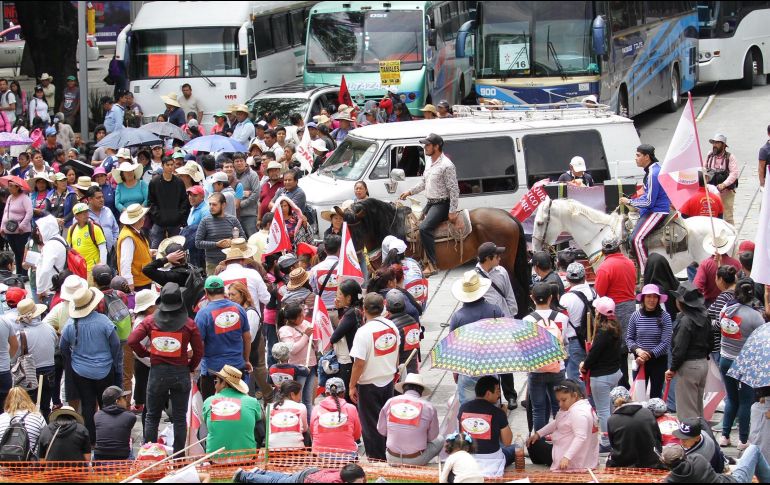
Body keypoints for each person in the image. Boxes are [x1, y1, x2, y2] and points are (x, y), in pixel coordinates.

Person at [128, 283, 203, 454]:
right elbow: (199, 351)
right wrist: (189, 366)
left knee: (152, 416)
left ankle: (150, 454)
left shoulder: (150, 321)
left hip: (157, 373)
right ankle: (178, 456)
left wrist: (147, 353)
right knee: (179, 418)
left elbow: (132, 340)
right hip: (180, 373)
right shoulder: (189, 324)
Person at [59, 287, 122, 444]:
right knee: (106, 404)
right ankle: (106, 438)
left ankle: (91, 440)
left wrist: (73, 358)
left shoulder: (70, 324)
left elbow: (62, 347)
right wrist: (113, 361)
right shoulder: (104, 321)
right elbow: (115, 345)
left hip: (80, 371)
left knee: (87, 405)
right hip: (105, 369)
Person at [347, 293, 399, 461]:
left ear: (364, 310)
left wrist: (351, 385)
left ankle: (376, 459)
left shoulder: (363, 332)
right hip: (388, 379)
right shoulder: (392, 326)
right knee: (386, 420)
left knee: (371, 425)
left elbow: (358, 363)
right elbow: (396, 353)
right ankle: (387, 453)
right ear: (383, 307)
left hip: (369, 384)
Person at [398, 133, 459, 277]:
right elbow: (424, 183)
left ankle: (432, 264)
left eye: (428, 145)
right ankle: (420, 258)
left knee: (424, 228)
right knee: (413, 224)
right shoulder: (431, 163)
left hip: (442, 204)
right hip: (431, 203)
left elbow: (454, 189)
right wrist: (409, 192)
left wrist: (452, 211)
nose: (425, 147)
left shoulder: (447, 165)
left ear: (436, 146)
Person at [718, 278, 764, 450]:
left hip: (725, 359)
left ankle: (724, 435)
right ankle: (743, 440)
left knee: (731, 398)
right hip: (745, 363)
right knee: (745, 401)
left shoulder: (726, 310)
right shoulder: (754, 316)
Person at [449, 270, 504, 405]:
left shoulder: (458, 317)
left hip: (467, 368)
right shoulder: (495, 310)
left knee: (468, 410)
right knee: (492, 410)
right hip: (491, 365)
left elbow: (453, 346)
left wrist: (456, 371)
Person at [195, 276, 251, 400]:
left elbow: (199, 344)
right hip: (236, 367)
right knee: (237, 406)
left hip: (212, 371)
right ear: (223, 291)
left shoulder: (203, 314)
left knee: (211, 408)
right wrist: (246, 360)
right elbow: (247, 337)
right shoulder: (238, 309)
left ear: (206, 292)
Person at [579, 296, 622, 452]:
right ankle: (613, 437)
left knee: (603, 410)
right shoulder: (615, 326)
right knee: (610, 409)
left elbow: (594, 354)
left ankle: (605, 441)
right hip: (614, 373)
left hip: (602, 376)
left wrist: (584, 365)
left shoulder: (603, 332)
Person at [524, 283, 569, 432]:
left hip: (536, 369)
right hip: (558, 368)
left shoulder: (527, 321)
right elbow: (565, 342)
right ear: (551, 298)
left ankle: (540, 441)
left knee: (538, 409)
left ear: (532, 298)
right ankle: (559, 437)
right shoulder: (562, 318)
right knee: (559, 407)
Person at [527, 379, 599, 472]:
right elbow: (557, 422)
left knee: (533, 445)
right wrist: (538, 434)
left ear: (575, 396)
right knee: (533, 440)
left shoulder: (578, 412)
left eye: (563, 400)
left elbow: (581, 437)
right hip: (581, 455)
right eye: (558, 401)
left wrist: (566, 457)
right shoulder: (581, 406)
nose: (560, 404)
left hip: (572, 458)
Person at [619, 144, 671, 270]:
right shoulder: (650, 171)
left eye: (638, 155)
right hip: (651, 209)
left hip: (658, 211)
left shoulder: (653, 174)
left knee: (636, 239)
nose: (635, 158)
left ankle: (645, 273)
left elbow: (649, 202)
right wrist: (632, 200)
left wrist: (630, 202)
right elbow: (646, 196)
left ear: (647, 157)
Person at [595, 234, 637, 388]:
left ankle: (619, 384)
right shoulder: (630, 263)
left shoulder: (604, 268)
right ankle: (625, 382)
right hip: (630, 307)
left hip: (613, 310)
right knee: (625, 348)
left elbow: (600, 292)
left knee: (614, 349)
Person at [666, 283, 712, 420]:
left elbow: (679, 348)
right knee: (697, 410)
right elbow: (711, 341)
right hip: (703, 363)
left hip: (689, 366)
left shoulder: (686, 322)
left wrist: (672, 368)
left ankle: (691, 440)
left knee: (687, 412)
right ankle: (701, 437)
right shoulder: (705, 316)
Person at [378, 373, 442, 465]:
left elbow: (382, 430)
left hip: (391, 457)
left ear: (404, 388)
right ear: (421, 391)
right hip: (415, 459)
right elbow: (432, 437)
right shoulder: (428, 407)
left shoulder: (390, 402)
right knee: (441, 439)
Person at [457, 376, 515, 477]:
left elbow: (461, 434)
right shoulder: (498, 412)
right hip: (492, 461)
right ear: (488, 393)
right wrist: (504, 416)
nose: (499, 394)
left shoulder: (463, 408)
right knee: (515, 448)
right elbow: (507, 441)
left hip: (468, 459)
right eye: (497, 391)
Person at [203, 365, 264, 453]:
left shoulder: (209, 401)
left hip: (216, 458)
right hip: (246, 458)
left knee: (206, 425)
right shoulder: (252, 401)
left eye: (216, 381)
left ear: (223, 383)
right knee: (256, 420)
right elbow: (258, 420)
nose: (215, 386)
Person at [626, 284, 673, 399]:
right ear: (643, 298)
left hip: (658, 361)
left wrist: (648, 355)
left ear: (658, 299)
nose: (652, 300)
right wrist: (638, 350)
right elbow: (629, 338)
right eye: (648, 297)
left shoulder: (665, 316)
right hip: (639, 360)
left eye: (654, 297)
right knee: (639, 397)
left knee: (656, 397)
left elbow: (665, 342)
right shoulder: (635, 316)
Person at [227, 281, 272, 401]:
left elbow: (249, 338)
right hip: (244, 355)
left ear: (242, 295)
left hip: (253, 355)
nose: (231, 298)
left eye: (233, 295)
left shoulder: (250, 312)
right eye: (229, 295)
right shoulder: (237, 311)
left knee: (262, 382)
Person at [13, 299, 57, 420]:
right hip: (50, 371)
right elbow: (55, 344)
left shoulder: (21, 334)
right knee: (46, 405)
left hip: (30, 373)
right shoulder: (49, 328)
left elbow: (15, 355)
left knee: (30, 406)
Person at [605, 386, 663, 468]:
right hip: (651, 461)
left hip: (624, 463)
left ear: (613, 404)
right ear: (630, 397)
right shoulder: (647, 412)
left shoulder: (612, 420)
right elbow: (658, 437)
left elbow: (613, 445)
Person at [277, 301, 316, 420]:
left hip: (311, 365)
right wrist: (305, 336)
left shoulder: (305, 323)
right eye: (300, 315)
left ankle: (309, 428)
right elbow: (293, 349)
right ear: (293, 319)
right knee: (297, 399)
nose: (303, 317)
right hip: (298, 368)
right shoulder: (285, 330)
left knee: (308, 399)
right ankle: (297, 424)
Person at [559, 262, 596, 385]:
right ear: (584, 277)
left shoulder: (566, 299)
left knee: (576, 376)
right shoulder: (595, 294)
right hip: (595, 340)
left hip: (574, 341)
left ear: (568, 279)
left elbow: (563, 323)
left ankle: (582, 402)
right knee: (594, 373)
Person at [195, 193, 244, 275]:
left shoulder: (233, 220)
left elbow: (243, 238)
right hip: (213, 264)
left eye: (214, 204)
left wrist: (232, 242)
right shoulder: (205, 221)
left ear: (223, 205)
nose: (211, 207)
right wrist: (216, 244)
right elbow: (198, 243)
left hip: (232, 263)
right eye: (210, 204)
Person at [309, 377, 361, 454]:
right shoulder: (351, 408)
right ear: (343, 392)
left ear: (326, 393)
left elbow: (312, 433)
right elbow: (357, 435)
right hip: (346, 456)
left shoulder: (316, 409)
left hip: (319, 455)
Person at [148, 156, 188, 249]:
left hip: (175, 222)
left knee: (176, 249)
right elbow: (151, 201)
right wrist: (157, 216)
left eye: (172, 165)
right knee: (155, 249)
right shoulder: (154, 182)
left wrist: (179, 215)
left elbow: (184, 201)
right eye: (167, 165)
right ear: (162, 166)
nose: (170, 167)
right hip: (159, 223)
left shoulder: (179, 182)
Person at [694, 230, 741, 306]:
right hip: (733, 302)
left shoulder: (705, 264)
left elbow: (697, 286)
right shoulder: (736, 263)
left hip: (710, 304)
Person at [0, 387, 47, 458]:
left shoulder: (2, 418)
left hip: (3, 463)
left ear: (7, 400)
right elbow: (45, 438)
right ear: (28, 399)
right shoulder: (37, 416)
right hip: (30, 464)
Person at [93, 386, 135, 460]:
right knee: (130, 442)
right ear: (117, 401)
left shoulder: (97, 415)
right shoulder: (130, 416)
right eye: (124, 398)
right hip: (122, 457)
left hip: (100, 457)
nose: (126, 400)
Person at [117, 204, 153, 292]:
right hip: (138, 283)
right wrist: (129, 283)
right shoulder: (128, 237)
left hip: (142, 279)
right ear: (139, 220)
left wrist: (149, 252)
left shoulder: (134, 231)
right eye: (143, 216)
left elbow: (136, 252)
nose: (144, 218)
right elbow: (125, 262)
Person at [385, 289, 421, 376]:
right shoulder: (413, 322)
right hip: (413, 368)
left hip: (400, 372)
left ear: (387, 307)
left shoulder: (391, 327)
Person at [67, 203, 107, 282]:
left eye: (86, 212)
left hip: (92, 270)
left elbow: (103, 248)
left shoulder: (95, 228)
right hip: (77, 271)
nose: (86, 214)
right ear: (76, 216)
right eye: (82, 213)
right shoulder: (71, 229)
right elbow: (69, 248)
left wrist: (102, 266)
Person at [704, 133, 738, 225]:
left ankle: (732, 237)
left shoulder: (730, 157)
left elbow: (734, 173)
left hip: (726, 192)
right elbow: (704, 168)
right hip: (711, 191)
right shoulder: (709, 155)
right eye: (714, 143)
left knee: (728, 217)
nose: (714, 145)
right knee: (711, 215)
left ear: (723, 145)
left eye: (717, 143)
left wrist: (724, 184)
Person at [0, 179, 31, 277]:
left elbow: (29, 213)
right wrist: (2, 226)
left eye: (11, 186)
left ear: (17, 187)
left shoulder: (25, 198)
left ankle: (23, 274)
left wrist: (22, 225)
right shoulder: (9, 197)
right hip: (9, 230)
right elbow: (6, 212)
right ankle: (18, 273)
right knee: (16, 253)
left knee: (22, 253)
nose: (9, 188)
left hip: (21, 231)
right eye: (9, 185)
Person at [34, 215, 67, 304]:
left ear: (46, 229)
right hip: (55, 288)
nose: (37, 233)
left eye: (39, 229)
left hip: (49, 291)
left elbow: (45, 270)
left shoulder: (51, 246)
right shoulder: (60, 240)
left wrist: (40, 290)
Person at [266, 380, 307, 450]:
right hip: (296, 451)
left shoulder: (269, 407)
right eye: (300, 394)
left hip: (273, 450)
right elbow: (305, 429)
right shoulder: (301, 407)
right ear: (292, 394)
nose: (300, 398)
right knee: (307, 434)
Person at [233, 463, 366, 484]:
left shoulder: (345, 473)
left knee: (285, 477)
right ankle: (243, 475)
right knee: (278, 482)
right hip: (305, 479)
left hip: (311, 471)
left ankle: (259, 472)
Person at [87, 186, 119, 254]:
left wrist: (113, 243)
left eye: (102, 197)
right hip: (92, 255)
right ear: (90, 199)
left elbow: (115, 229)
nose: (102, 199)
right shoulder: (84, 214)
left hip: (110, 252)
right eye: (98, 198)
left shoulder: (108, 211)